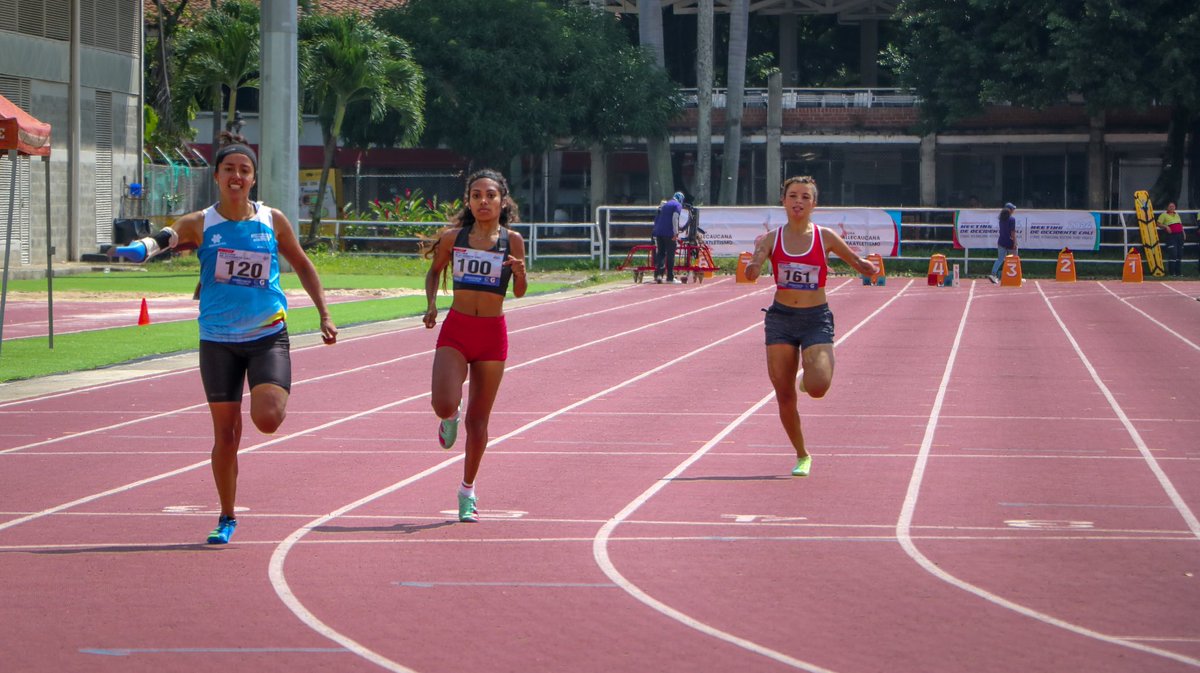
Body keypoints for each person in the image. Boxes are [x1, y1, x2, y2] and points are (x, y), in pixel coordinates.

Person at [114, 132, 338, 544]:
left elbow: (303, 265)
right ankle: (227, 515)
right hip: (217, 340)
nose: (237, 176)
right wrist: (139, 249)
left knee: (267, 418)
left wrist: (323, 312)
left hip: (267, 334)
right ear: (216, 176)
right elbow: (166, 238)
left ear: (253, 178)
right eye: (229, 169)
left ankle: (270, 390)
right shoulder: (202, 222)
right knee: (226, 434)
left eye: (244, 170)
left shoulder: (272, 220)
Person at [744, 176, 878, 477]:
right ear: (783, 201)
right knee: (784, 394)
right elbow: (754, 266)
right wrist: (753, 269)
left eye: (805, 197)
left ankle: (809, 379)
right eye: (793, 196)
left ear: (814, 204)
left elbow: (855, 260)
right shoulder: (771, 239)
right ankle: (802, 454)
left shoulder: (825, 236)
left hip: (815, 317)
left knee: (817, 387)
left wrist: (866, 268)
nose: (798, 202)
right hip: (780, 319)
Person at [422, 169, 527, 523]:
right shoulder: (455, 238)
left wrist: (521, 272)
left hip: (492, 335)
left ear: (502, 201)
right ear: (468, 201)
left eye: (491, 195)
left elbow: (519, 292)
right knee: (443, 402)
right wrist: (432, 303)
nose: (484, 201)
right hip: (457, 329)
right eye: (477, 195)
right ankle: (448, 416)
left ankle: (467, 490)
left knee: (479, 423)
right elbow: (434, 270)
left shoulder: (512, 240)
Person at [651, 192, 685, 283]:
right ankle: (670, 277)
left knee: (661, 253)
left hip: (659, 232)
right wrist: (676, 232)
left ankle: (659, 275)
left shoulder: (665, 205)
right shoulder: (677, 205)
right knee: (670, 254)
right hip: (669, 233)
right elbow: (675, 218)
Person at [989, 202, 1018, 283]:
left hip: (1001, 241)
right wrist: (1015, 243)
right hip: (1010, 242)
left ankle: (993, 274)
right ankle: (1015, 276)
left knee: (1000, 259)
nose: (1014, 210)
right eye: (1013, 209)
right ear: (1010, 210)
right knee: (1014, 259)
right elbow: (1012, 232)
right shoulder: (1012, 219)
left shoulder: (1001, 219)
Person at [1156, 202, 1184, 277]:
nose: (1172, 207)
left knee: (1179, 254)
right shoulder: (1164, 215)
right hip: (1171, 236)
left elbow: (1180, 224)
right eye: (1170, 206)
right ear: (1167, 207)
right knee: (1173, 253)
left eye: (1173, 206)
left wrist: (1183, 233)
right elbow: (1158, 223)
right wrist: (1166, 227)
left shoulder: (1177, 214)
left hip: (1179, 235)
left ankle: (1178, 272)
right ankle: (1172, 272)